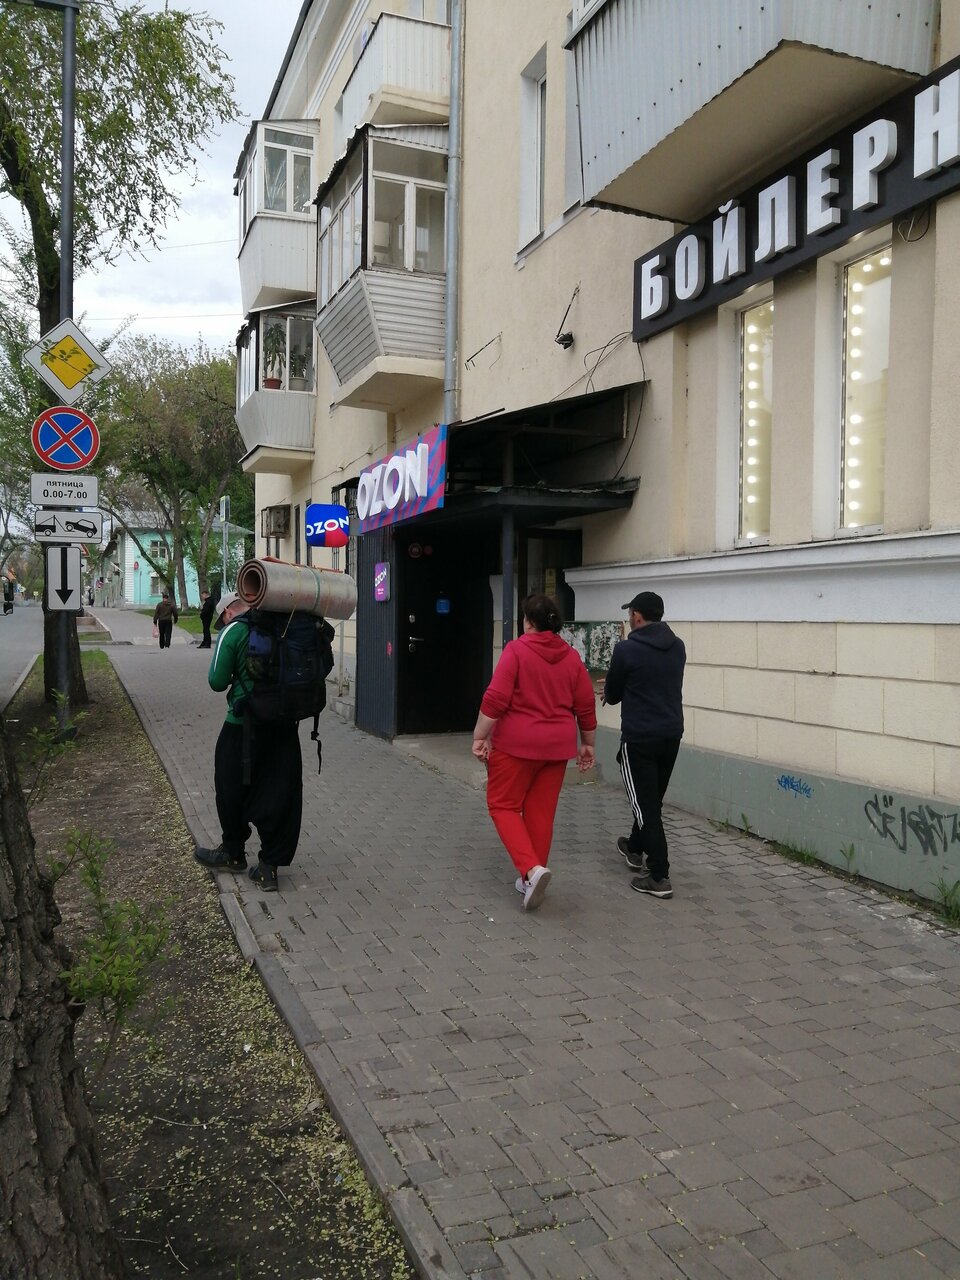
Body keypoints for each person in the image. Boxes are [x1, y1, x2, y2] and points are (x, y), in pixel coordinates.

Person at [472, 594, 597, 911]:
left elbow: (496, 699)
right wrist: (588, 743)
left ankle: (531, 869)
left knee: (503, 805)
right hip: (556, 749)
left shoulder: (516, 650)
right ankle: (531, 878)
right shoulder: (572, 657)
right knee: (541, 812)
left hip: (516, 745)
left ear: (528, 622)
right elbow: (585, 704)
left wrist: (480, 735)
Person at [194, 591, 302, 893]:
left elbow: (216, 681)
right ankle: (269, 867)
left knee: (230, 786)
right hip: (284, 725)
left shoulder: (234, 630)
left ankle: (233, 852)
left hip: (243, 724)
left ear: (228, 611)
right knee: (280, 791)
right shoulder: (286, 626)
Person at [603, 590, 686, 900]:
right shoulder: (678, 646)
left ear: (637, 616)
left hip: (639, 738)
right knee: (651, 801)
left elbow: (613, 694)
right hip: (671, 735)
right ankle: (634, 847)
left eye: (630, 614)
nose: (629, 619)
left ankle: (659, 875)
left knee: (646, 807)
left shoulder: (627, 649)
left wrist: (610, 690)